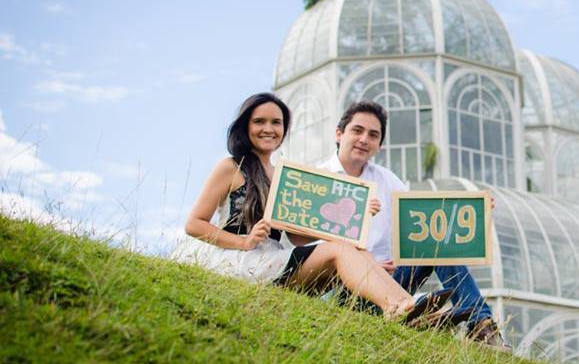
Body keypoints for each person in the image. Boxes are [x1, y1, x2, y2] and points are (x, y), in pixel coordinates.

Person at [171, 92, 449, 324]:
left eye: (276, 122)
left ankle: (406, 306)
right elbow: (194, 224)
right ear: (245, 127)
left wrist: (357, 214)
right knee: (341, 249)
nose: (268, 128)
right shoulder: (232, 166)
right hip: (243, 261)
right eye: (259, 122)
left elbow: (299, 236)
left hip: (275, 260)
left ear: (284, 129)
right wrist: (244, 242)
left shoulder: (283, 174)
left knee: (352, 248)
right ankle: (397, 307)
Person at [318, 100, 510, 349]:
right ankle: (418, 314)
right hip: (342, 288)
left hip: (392, 281)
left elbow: (424, 218)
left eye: (373, 135)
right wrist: (365, 267)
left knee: (436, 240)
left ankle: (480, 325)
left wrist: (472, 210)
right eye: (357, 130)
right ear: (339, 133)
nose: (364, 139)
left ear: (380, 144)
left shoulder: (386, 180)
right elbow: (310, 249)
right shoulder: (318, 177)